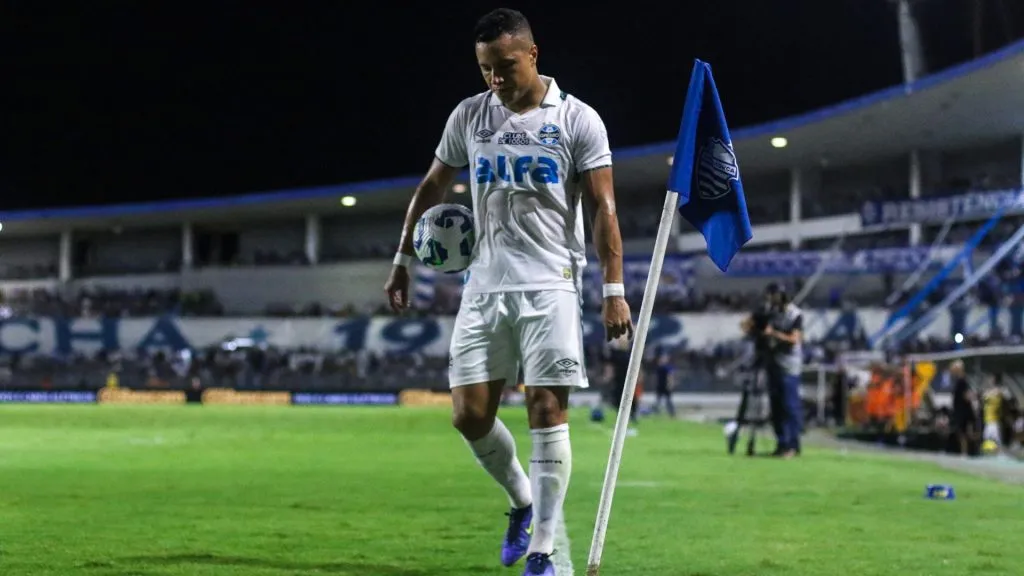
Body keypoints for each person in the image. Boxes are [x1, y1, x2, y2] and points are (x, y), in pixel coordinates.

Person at [383, 9, 633, 575]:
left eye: (505, 66)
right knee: (469, 417)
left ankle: (542, 550)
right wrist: (403, 260)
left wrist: (614, 288)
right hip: (484, 285)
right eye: (485, 69)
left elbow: (604, 208)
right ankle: (521, 500)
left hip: (551, 285)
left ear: (533, 54)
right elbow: (431, 187)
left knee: (547, 408)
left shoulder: (576, 119)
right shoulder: (470, 116)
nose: (495, 78)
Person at [762, 283, 804, 458]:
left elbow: (795, 339)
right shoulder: (773, 313)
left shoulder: (795, 314)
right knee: (776, 407)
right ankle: (781, 442)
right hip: (774, 363)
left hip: (789, 366)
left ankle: (792, 444)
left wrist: (774, 334)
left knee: (789, 406)